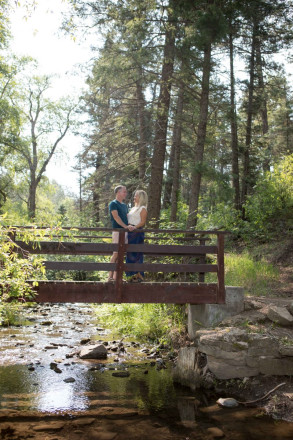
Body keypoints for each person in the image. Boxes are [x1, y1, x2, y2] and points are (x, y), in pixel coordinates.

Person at [108, 185, 131, 282]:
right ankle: (110, 277)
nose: (126, 193)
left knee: (121, 254)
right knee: (116, 253)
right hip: (118, 231)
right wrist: (125, 226)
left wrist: (129, 226)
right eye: (124, 192)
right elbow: (116, 218)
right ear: (118, 192)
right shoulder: (113, 204)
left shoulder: (124, 205)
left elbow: (126, 218)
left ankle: (117, 278)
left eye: (126, 192)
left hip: (125, 232)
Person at [126, 190, 148, 282]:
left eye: (136, 196)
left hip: (137, 232)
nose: (134, 197)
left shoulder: (143, 208)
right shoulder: (133, 208)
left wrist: (134, 227)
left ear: (141, 198)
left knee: (137, 253)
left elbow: (142, 222)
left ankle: (139, 276)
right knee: (130, 253)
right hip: (130, 232)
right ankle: (132, 275)